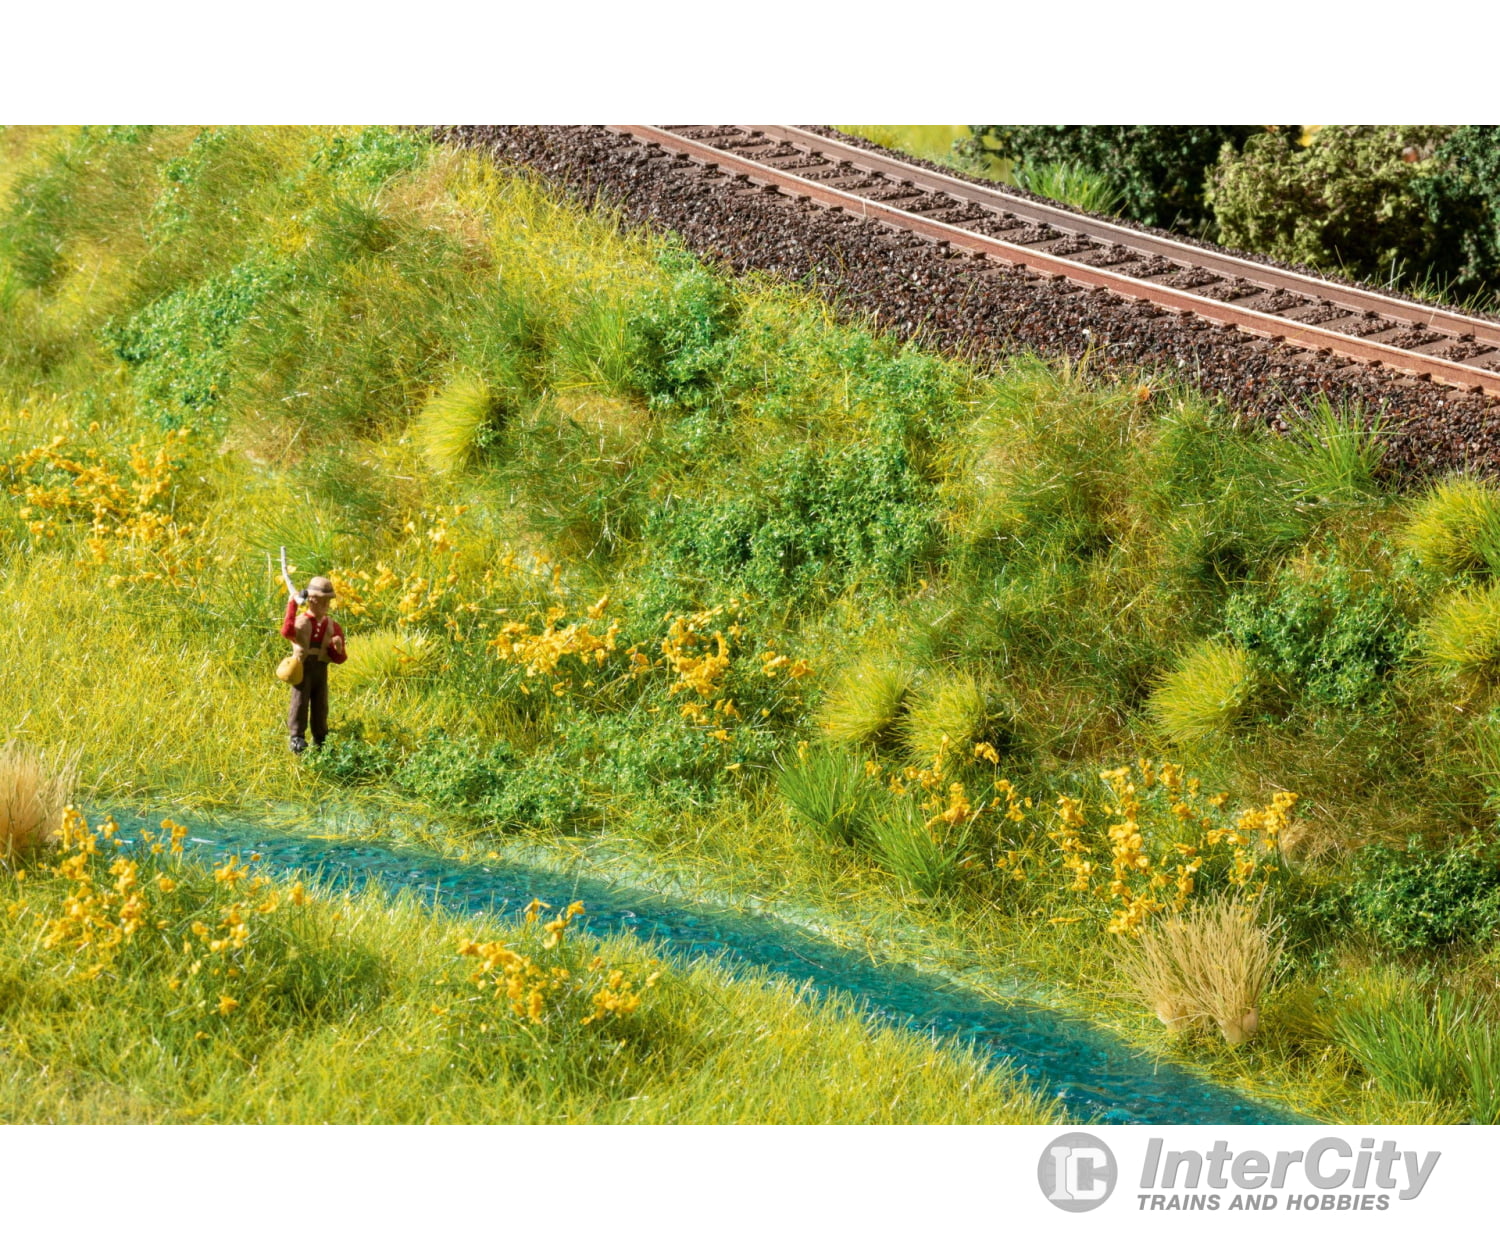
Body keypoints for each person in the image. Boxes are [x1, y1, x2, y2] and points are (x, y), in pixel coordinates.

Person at [280, 575, 346, 754]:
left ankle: (321, 737)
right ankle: (297, 737)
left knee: (320, 703)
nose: (324, 605)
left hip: (320, 668)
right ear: (311, 600)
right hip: (303, 666)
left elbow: (339, 659)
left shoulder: (333, 626)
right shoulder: (302, 622)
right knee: (300, 701)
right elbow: (287, 631)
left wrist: (337, 648)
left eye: (327, 601)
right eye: (320, 601)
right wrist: (292, 605)